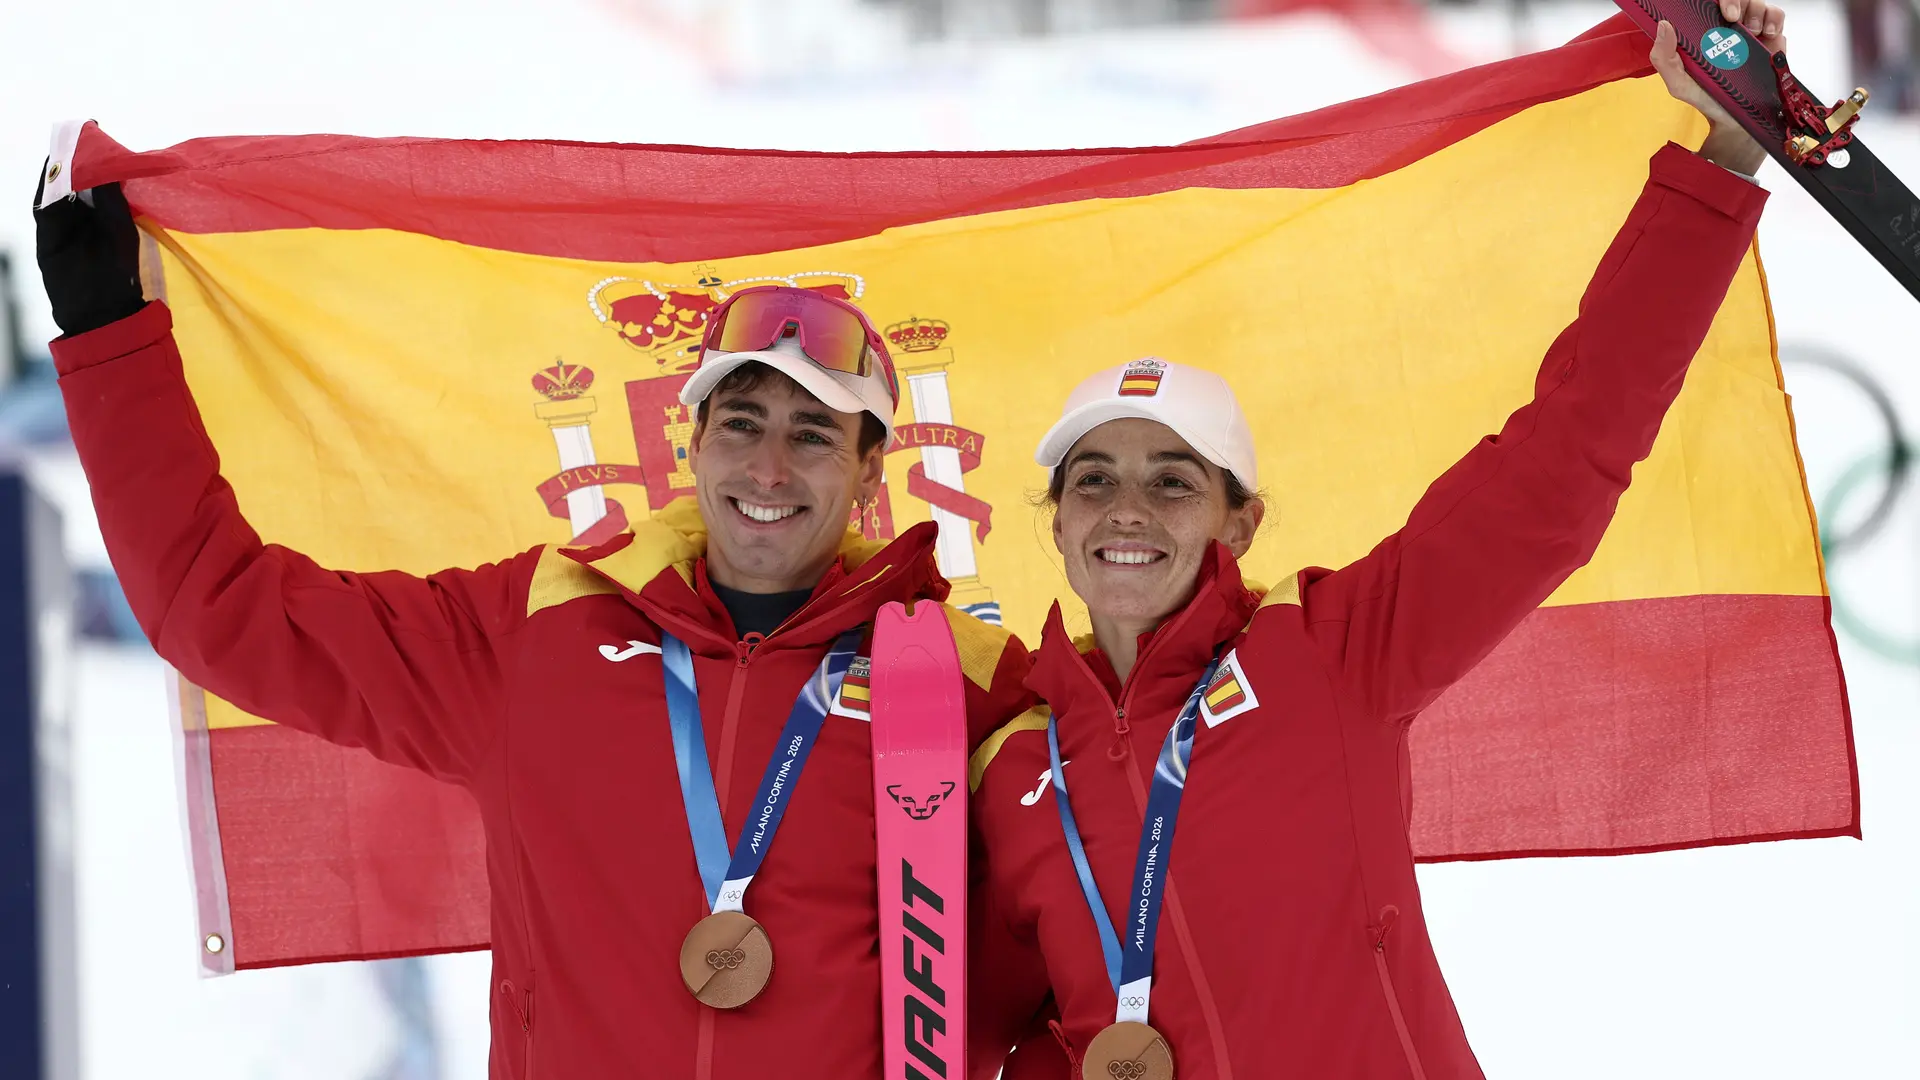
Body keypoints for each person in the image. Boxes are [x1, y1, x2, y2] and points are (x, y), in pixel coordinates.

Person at [32, 182, 1049, 1076]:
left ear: (870, 471)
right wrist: (107, 332)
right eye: (741, 423)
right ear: (692, 443)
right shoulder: (540, 630)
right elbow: (221, 609)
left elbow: (1102, 948)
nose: (768, 468)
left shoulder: (970, 682)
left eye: (814, 434)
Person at [967, 8, 1786, 1079]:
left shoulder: (1331, 654)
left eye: (1173, 482)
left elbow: (1565, 456)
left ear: (1240, 521)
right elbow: (982, 1029)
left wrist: (1722, 165)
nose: (1128, 511)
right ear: (1057, 521)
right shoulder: (1010, 768)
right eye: (1094, 482)